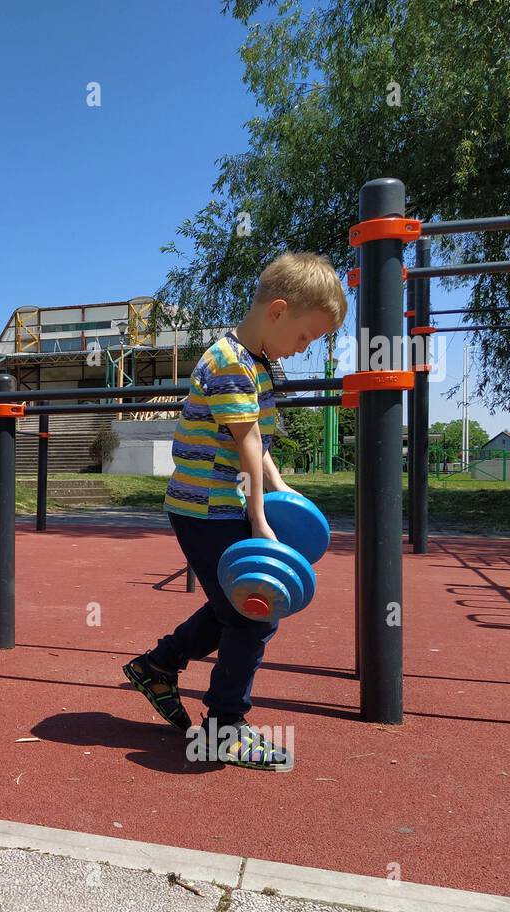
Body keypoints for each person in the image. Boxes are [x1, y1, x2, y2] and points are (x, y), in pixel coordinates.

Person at [123, 253, 346, 769]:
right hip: (204, 511)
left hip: (225, 507)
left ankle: (158, 667)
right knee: (251, 614)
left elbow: (259, 443)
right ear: (278, 311)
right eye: (305, 337)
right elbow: (246, 445)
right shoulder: (227, 363)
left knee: (235, 608)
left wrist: (282, 490)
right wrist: (263, 521)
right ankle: (223, 726)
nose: (303, 349)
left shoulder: (258, 364)